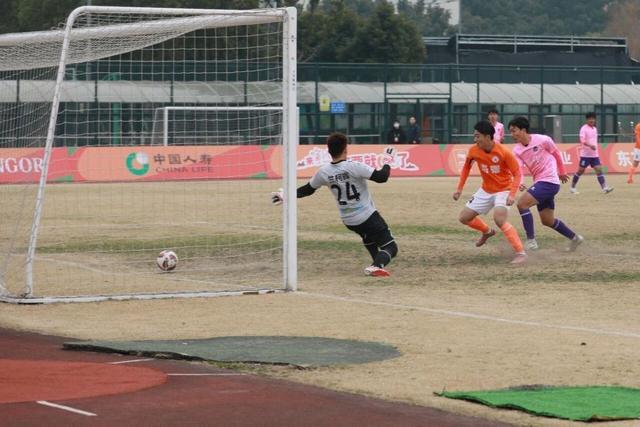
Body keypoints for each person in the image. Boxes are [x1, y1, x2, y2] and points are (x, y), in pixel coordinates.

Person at [272, 132, 398, 277]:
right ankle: (376, 266)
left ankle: (376, 262)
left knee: (368, 236)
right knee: (391, 247)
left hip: (349, 220)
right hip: (367, 215)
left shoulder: (324, 172)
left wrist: (286, 195)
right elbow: (382, 177)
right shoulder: (354, 166)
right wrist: (388, 160)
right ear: (345, 149)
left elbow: (307, 189)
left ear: (329, 151)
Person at [453, 120, 527, 264]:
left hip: (504, 190)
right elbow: (466, 168)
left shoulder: (504, 152)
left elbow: (517, 174)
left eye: (477, 136)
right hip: (486, 190)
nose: (475, 140)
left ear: (487, 137)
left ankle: (521, 253)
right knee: (464, 218)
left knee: (499, 219)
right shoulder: (473, 150)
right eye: (474, 136)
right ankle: (487, 232)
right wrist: (459, 189)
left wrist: (512, 194)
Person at [509, 116, 584, 252]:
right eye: (510, 131)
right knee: (547, 220)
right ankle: (575, 238)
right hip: (541, 182)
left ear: (523, 130)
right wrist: (520, 181)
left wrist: (562, 171)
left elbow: (556, 153)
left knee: (522, 204)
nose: (512, 134)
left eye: (514, 131)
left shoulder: (543, 140)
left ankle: (531, 241)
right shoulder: (517, 150)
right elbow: (518, 168)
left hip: (549, 181)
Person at [569, 112, 613, 194]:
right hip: (585, 155)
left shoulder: (595, 129)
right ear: (587, 120)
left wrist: (594, 148)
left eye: (593, 119)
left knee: (599, 170)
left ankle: (604, 188)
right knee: (580, 171)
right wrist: (590, 146)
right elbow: (582, 141)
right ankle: (572, 187)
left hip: (594, 155)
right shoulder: (583, 129)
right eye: (590, 119)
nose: (592, 120)